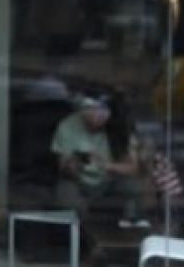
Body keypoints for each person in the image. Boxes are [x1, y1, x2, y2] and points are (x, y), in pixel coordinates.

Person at [51, 90, 148, 227]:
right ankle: (78, 236)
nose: (96, 115)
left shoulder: (118, 128)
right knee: (68, 199)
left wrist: (106, 165)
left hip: (107, 179)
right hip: (78, 181)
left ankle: (133, 229)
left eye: (102, 111)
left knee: (133, 188)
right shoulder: (67, 126)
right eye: (91, 110)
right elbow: (62, 166)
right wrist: (75, 165)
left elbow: (133, 168)